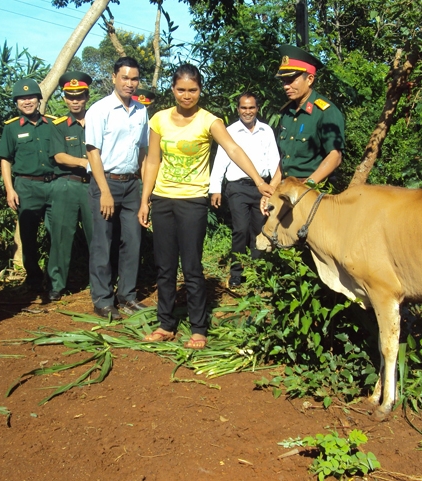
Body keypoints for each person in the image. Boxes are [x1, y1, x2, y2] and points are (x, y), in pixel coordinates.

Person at [137, 64, 273, 345]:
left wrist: (259, 181)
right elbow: (152, 160)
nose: (187, 95)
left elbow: (234, 149)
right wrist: (145, 199)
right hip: (163, 199)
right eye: (181, 90)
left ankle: (198, 327)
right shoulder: (159, 119)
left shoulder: (210, 121)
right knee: (164, 266)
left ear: (200, 90)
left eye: (193, 90)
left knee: (191, 266)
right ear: (173, 90)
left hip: (192, 203)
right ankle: (165, 324)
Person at [85, 57, 149, 320]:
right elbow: (93, 152)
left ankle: (128, 296)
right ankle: (102, 299)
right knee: (103, 242)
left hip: (132, 183)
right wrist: (105, 192)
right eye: (124, 78)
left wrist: (146, 192)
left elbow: (143, 152)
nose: (130, 83)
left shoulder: (141, 111)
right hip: (106, 182)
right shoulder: (99, 110)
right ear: (113, 78)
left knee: (132, 241)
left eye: (134, 79)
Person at [261, 45, 345, 211]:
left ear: (310, 79)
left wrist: (308, 186)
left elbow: (335, 156)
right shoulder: (287, 113)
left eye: (291, 80)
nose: (286, 86)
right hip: (286, 189)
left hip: (314, 191)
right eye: (284, 81)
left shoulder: (325, 112)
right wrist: (269, 191)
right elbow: (284, 160)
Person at [209, 92, 279, 288]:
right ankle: (237, 273)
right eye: (243, 108)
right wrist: (215, 188)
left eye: (251, 107)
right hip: (237, 187)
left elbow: (274, 160)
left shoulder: (266, 131)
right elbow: (221, 160)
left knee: (259, 230)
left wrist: (275, 187)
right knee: (240, 229)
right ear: (238, 109)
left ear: (257, 108)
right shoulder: (229, 131)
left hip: (262, 188)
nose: (247, 112)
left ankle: (257, 273)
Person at [0, 78, 57, 290]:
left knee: (56, 233)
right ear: (16, 103)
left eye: (31, 97)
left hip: (53, 185)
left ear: (39, 99)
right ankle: (33, 279)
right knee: (28, 236)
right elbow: (6, 160)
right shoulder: (11, 129)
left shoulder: (53, 124)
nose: (27, 101)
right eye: (22, 98)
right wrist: (9, 189)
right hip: (26, 187)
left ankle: (54, 279)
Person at [47, 71, 94, 301]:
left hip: (93, 187)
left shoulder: (97, 122)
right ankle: (57, 284)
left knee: (98, 237)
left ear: (87, 96)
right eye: (70, 96)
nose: (75, 101)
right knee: (61, 236)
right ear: (64, 98)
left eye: (79, 96)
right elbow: (58, 156)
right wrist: (85, 162)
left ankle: (99, 282)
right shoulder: (59, 125)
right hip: (67, 185)